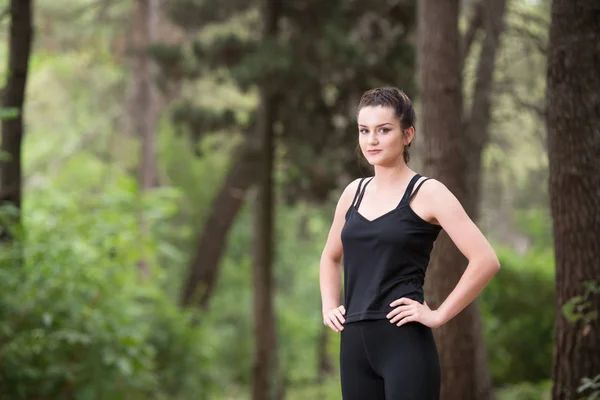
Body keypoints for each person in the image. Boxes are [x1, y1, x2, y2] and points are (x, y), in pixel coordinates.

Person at [319, 86, 501, 400]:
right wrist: (329, 305)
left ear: (407, 135)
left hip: (404, 346)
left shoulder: (428, 192)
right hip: (353, 348)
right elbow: (330, 257)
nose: (372, 140)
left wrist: (439, 314)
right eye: (364, 130)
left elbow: (486, 260)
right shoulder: (353, 193)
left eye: (384, 130)